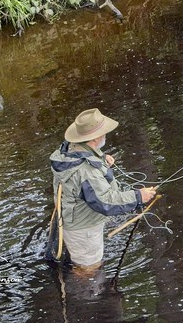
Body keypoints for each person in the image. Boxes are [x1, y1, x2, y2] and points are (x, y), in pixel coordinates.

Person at [47, 108, 157, 270]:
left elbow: (80, 171)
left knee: (80, 265)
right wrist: (138, 197)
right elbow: (105, 202)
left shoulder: (67, 149)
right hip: (83, 231)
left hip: (70, 220)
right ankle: (86, 293)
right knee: (88, 271)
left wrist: (101, 160)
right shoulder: (87, 172)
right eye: (104, 133)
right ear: (95, 138)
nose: (105, 136)